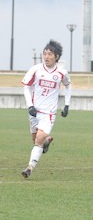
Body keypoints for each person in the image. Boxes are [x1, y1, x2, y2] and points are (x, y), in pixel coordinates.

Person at [20, 40, 71, 178]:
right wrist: (30, 105)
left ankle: (29, 168)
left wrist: (66, 105)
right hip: (34, 111)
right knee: (36, 141)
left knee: (38, 141)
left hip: (49, 113)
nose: (46, 56)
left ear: (57, 56)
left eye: (50, 54)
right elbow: (26, 87)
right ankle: (46, 141)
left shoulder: (61, 73)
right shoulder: (35, 69)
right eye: (45, 53)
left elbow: (68, 85)